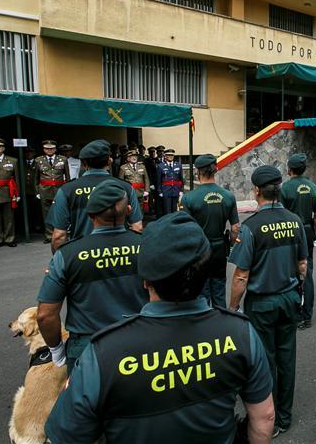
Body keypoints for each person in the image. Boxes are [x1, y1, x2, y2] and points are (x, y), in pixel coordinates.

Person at [45, 211, 275, 443]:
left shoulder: (102, 353)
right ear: (205, 274)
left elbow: (66, 436)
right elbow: (264, 417)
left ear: (144, 280)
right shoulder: (241, 332)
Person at [228, 165, 308, 438]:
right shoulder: (295, 220)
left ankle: (268, 417)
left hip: (262, 303)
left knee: (264, 360)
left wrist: (233, 308)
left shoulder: (250, 228)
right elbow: (303, 265)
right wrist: (298, 289)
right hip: (288, 298)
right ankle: (284, 416)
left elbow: (241, 275)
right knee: (287, 358)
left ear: (257, 191)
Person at [36, 180, 149, 373]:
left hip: (88, 346)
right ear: (129, 209)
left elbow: (45, 315)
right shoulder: (148, 246)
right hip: (139, 340)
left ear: (89, 216)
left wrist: (56, 350)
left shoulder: (66, 255)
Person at [47, 140, 143, 253]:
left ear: (83, 164)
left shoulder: (67, 190)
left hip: (82, 256)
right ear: (109, 161)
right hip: (120, 254)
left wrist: (60, 262)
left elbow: (59, 235)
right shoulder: (125, 187)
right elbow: (137, 227)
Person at [181, 154, 240, 308]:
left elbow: (186, 230)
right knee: (219, 289)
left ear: (197, 172)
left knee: (202, 292)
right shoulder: (228, 196)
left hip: (199, 250)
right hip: (219, 248)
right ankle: (221, 326)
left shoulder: (189, 198)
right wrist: (232, 244)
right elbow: (235, 228)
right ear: (216, 169)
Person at [280, 153, 316, 329]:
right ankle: (307, 315)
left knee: (290, 271)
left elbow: (281, 215)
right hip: (307, 230)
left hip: (290, 231)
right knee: (308, 271)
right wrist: (314, 233)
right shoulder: (313, 187)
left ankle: (294, 313)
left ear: (289, 169)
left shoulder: (284, 188)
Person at [34, 140, 71, 244]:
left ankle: (62, 234)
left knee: (61, 212)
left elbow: (67, 176)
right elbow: (36, 178)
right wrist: (37, 191)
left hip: (59, 189)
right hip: (44, 189)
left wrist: (67, 189)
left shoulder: (63, 159)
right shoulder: (38, 160)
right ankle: (49, 235)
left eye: (51, 148)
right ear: (43, 149)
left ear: (55, 149)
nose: (49, 150)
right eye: (47, 148)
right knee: (46, 213)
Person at [156, 148, 183, 216]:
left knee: (175, 210)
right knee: (167, 211)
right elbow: (158, 180)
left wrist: (181, 190)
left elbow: (181, 179)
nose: (170, 157)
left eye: (172, 155)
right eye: (168, 155)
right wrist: (160, 191)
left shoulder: (178, 165)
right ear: (165, 156)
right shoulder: (160, 166)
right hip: (166, 190)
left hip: (176, 190)